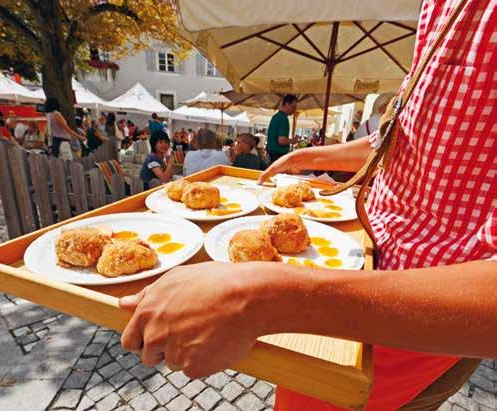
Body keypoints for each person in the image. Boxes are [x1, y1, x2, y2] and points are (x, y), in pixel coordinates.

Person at [119, 2, 497, 411]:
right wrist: (310, 156)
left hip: (423, 305)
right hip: (362, 250)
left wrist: (267, 298)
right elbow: (408, 142)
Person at [266, 94, 299, 163]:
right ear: (287, 104)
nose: (294, 110)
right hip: (278, 155)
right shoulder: (283, 118)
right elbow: (282, 141)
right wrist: (292, 140)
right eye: (293, 107)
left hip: (271, 154)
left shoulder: (276, 116)